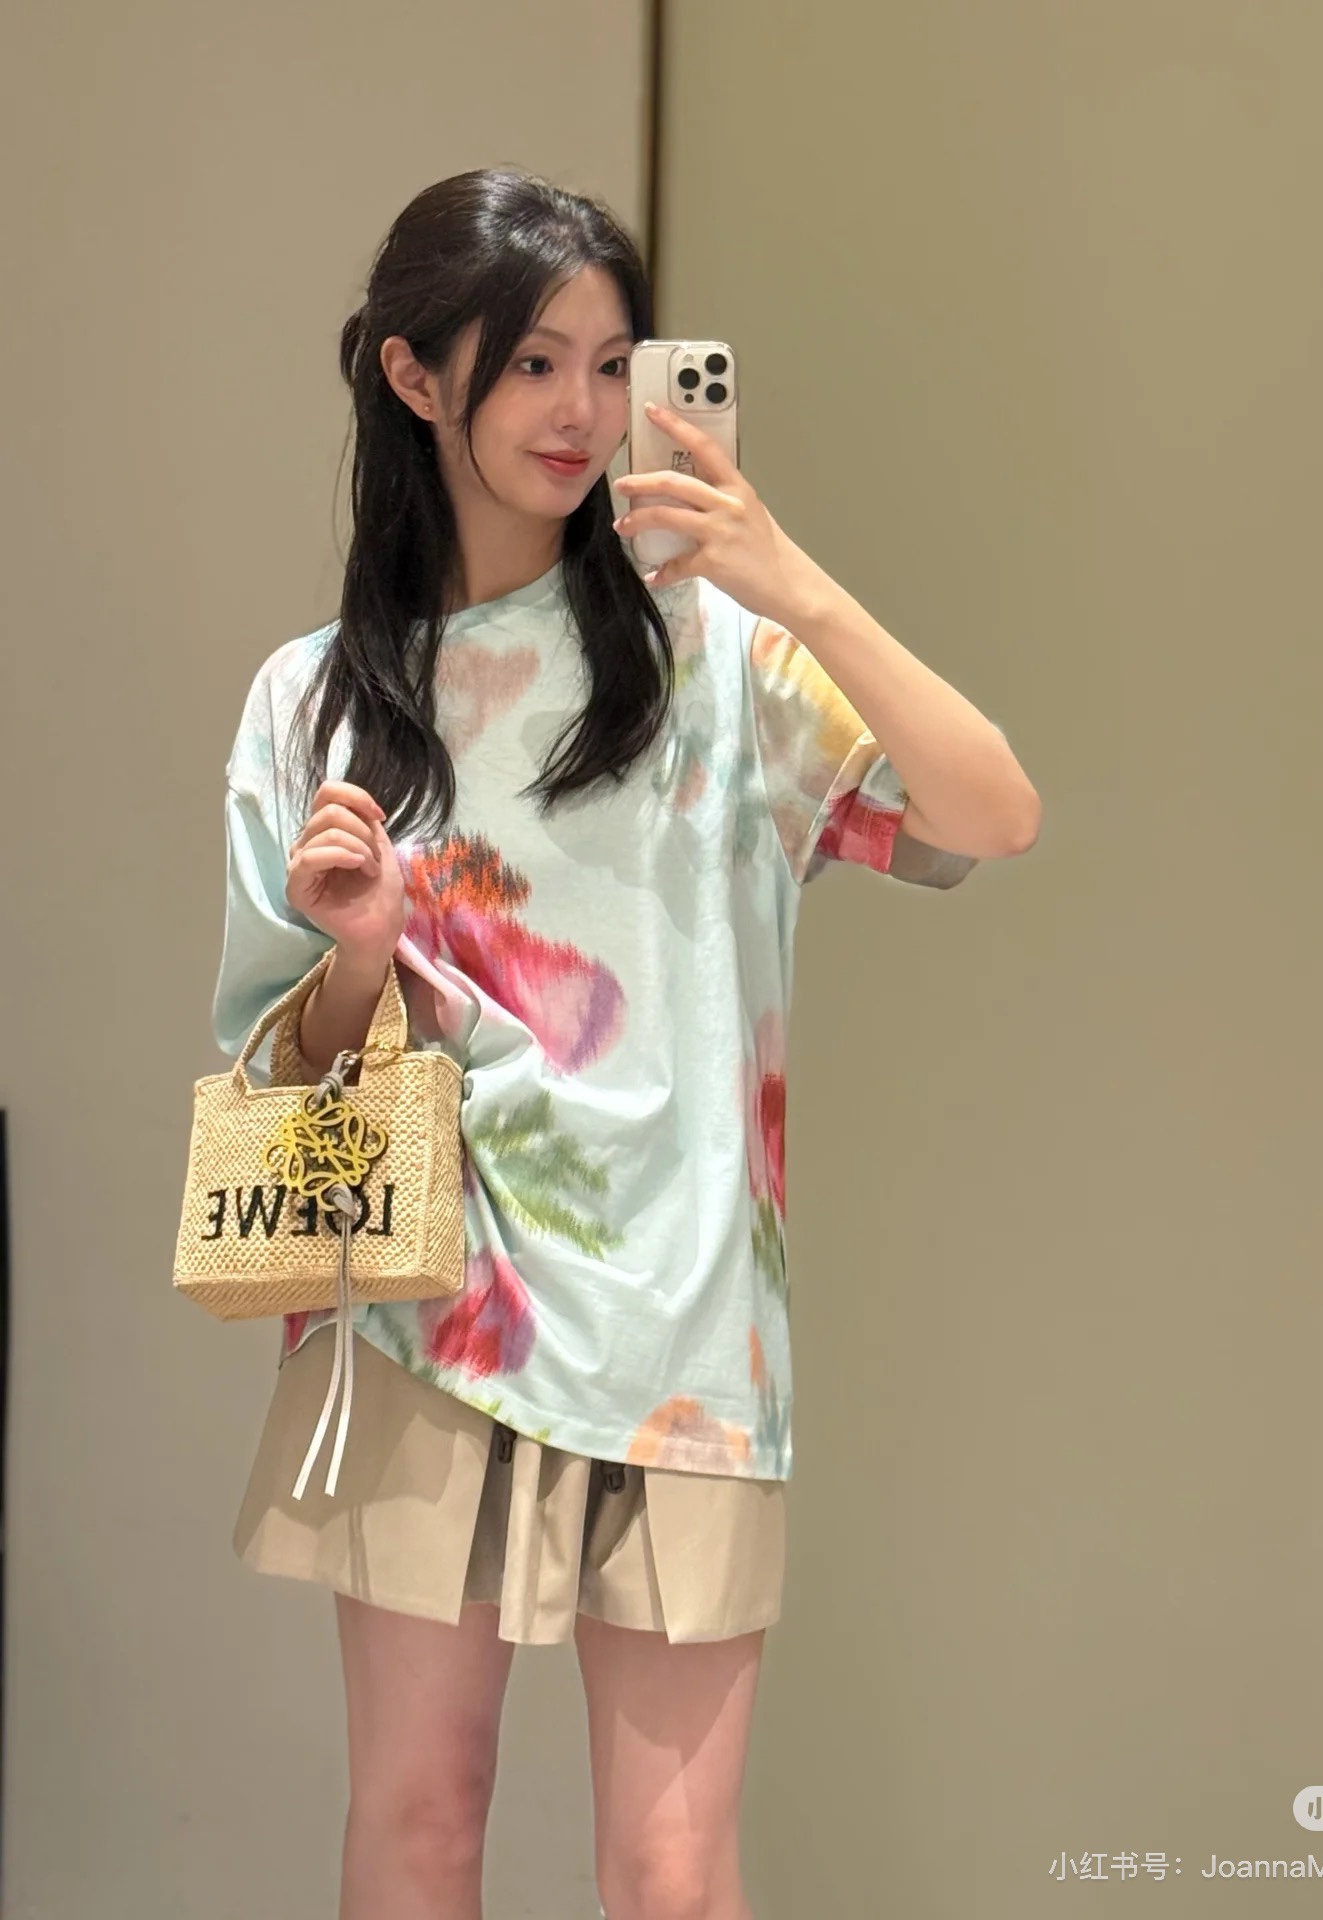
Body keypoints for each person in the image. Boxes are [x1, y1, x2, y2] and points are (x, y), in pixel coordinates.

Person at [213, 165, 1039, 1920]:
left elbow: (996, 811)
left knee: (671, 1873)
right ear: (413, 375)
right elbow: (285, 1085)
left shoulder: (716, 659)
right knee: (418, 1828)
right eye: (531, 364)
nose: (581, 411)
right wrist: (359, 953)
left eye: (611, 363)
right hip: (425, 1312)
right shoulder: (316, 699)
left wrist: (788, 580)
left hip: (684, 1323)